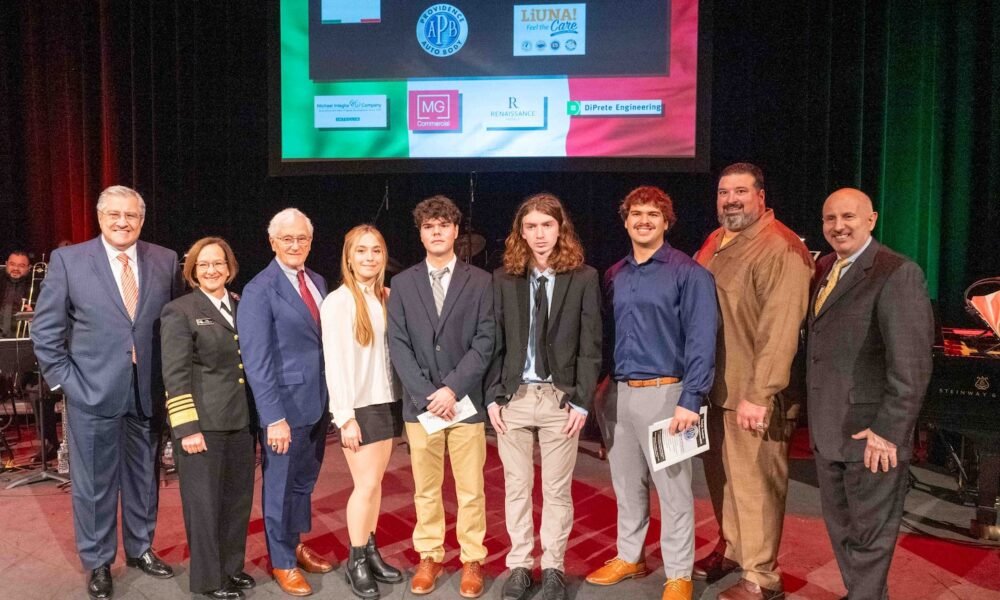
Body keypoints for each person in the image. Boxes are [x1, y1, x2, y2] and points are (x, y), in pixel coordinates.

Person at [31, 185, 180, 600]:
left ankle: (140, 548)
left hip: (147, 392)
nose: (122, 222)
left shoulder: (165, 260)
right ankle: (98, 561)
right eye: (114, 214)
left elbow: (172, 327)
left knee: (144, 479)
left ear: (142, 220)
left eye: (131, 215)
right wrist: (66, 384)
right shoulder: (69, 261)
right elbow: (45, 333)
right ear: (100, 217)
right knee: (94, 484)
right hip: (90, 394)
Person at [585, 186, 717, 600]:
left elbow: (702, 339)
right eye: (636, 213)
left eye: (653, 214)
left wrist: (691, 398)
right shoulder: (615, 274)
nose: (644, 220)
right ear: (625, 220)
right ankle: (630, 555)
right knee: (626, 484)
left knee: (674, 489)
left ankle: (678, 572)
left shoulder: (689, 273)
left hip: (669, 394)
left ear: (666, 222)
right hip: (620, 394)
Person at [691, 163, 814, 600]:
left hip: (752, 394)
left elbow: (780, 330)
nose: (731, 200)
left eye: (741, 192)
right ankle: (735, 549)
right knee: (723, 481)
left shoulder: (780, 247)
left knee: (757, 486)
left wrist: (760, 394)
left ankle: (762, 578)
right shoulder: (717, 239)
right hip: (715, 389)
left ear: (761, 196)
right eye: (724, 193)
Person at [807, 188, 933, 600]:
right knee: (842, 530)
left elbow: (911, 365)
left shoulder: (897, 272)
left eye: (848, 217)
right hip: (829, 432)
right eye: (830, 219)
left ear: (871, 220)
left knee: (870, 539)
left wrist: (889, 430)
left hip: (871, 436)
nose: (838, 226)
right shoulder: (825, 267)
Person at [486, 193, 602, 600]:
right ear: (521, 231)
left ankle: (553, 565)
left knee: (556, 490)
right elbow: (494, 342)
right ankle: (520, 565)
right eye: (531, 226)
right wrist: (491, 398)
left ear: (560, 229)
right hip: (513, 398)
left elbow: (591, 345)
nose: (539, 234)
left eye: (547, 226)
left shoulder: (584, 277)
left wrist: (583, 401)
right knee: (516, 487)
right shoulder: (504, 278)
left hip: (560, 399)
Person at [387, 195, 495, 598]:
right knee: (425, 489)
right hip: (422, 407)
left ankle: (471, 559)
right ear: (421, 233)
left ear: (455, 231)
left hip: (465, 404)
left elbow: (486, 340)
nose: (436, 232)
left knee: (471, 489)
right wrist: (428, 394)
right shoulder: (402, 282)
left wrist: (452, 389)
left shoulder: (481, 281)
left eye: (443, 225)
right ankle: (430, 554)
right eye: (429, 226)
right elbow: (398, 344)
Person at [237, 208, 333, 597]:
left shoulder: (318, 280)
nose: (295, 246)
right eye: (287, 239)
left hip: (317, 403)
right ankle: (281, 561)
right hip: (284, 409)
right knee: (278, 487)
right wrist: (272, 416)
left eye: (302, 239)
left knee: (303, 484)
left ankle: (294, 544)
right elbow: (257, 362)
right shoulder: (261, 290)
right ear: (273, 242)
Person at [160, 237, 256, 600]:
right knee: (204, 506)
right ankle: (209, 579)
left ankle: (232, 568)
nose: (212, 270)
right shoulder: (180, 310)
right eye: (204, 265)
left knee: (236, 501)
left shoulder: (240, 305)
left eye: (219, 263)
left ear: (229, 267)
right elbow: (175, 373)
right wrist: (186, 428)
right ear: (192, 271)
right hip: (203, 426)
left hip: (240, 421)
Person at [321, 225, 404, 599]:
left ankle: (370, 551)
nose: (369, 257)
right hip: (359, 406)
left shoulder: (386, 296)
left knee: (376, 485)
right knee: (366, 485)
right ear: (348, 257)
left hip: (386, 400)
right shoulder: (338, 302)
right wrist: (344, 415)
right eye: (361, 251)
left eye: (376, 251)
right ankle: (356, 559)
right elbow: (334, 363)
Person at [0, 250, 31, 338]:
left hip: (23, 337)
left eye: (21, 266)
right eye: (12, 264)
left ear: (29, 268)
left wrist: (34, 313)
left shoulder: (37, 285)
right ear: (6, 264)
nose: (16, 269)